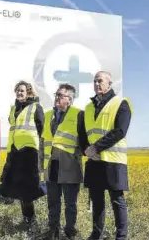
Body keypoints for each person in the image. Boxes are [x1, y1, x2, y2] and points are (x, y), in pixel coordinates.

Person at [84, 71, 132, 240]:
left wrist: (96, 148)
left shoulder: (121, 103)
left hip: (113, 161)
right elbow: (84, 133)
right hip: (94, 161)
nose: (97, 84)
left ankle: (121, 237)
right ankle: (96, 234)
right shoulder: (88, 107)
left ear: (109, 84)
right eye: (95, 81)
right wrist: (87, 150)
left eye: (100, 81)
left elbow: (120, 131)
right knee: (96, 202)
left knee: (117, 201)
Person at [0, 80, 45, 235]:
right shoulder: (13, 109)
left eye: (22, 91)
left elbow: (42, 131)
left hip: (30, 153)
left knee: (29, 188)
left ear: (29, 92)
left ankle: (32, 222)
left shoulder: (36, 107)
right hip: (15, 152)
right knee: (19, 188)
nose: (19, 93)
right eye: (17, 91)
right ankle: (27, 219)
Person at [38, 83, 87, 240]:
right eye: (56, 95)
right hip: (51, 165)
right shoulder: (47, 115)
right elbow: (43, 141)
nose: (57, 98)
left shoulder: (79, 115)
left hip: (70, 165)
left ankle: (70, 233)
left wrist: (75, 155)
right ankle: (53, 231)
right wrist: (40, 164)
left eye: (61, 95)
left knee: (70, 204)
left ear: (70, 99)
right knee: (53, 201)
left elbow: (85, 141)